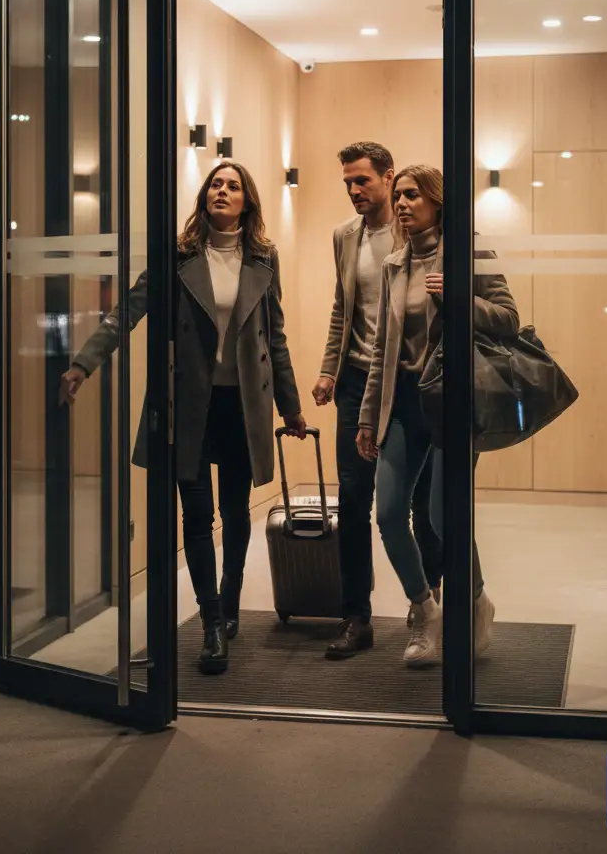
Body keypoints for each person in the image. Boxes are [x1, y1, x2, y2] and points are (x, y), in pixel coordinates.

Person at [60, 160, 307, 676]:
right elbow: (126, 312)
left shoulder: (263, 258)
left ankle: (231, 599)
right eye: (216, 184)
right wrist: (84, 363)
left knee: (236, 512)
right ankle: (211, 622)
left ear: (247, 201)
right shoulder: (177, 256)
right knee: (196, 516)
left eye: (233, 186)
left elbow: (274, 335)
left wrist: (291, 406)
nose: (223, 191)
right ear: (204, 196)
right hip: (188, 406)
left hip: (242, 407)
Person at [357, 164, 517, 666]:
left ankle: (476, 601)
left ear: (436, 201)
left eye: (413, 195)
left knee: (444, 516)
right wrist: (368, 416)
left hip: (451, 400)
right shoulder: (395, 263)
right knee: (388, 514)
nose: (402, 204)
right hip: (404, 402)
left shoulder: (469, 251)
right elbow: (383, 349)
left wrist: (458, 297)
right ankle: (425, 609)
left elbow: (509, 319)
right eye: (399, 196)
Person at [312, 141, 444, 661]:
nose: (353, 190)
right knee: (353, 499)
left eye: (362, 180)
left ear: (388, 178)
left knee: (421, 505)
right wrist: (329, 369)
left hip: (410, 384)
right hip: (357, 380)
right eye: (347, 182)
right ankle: (356, 617)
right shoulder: (345, 236)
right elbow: (341, 309)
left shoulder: (413, 233)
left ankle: (425, 603)